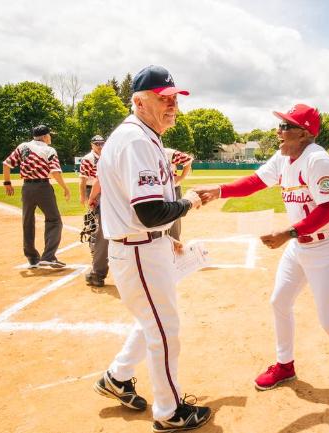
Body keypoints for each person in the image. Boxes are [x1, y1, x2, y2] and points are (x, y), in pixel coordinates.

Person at [195, 103, 329, 405]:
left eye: (286, 126)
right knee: (279, 302)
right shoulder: (283, 156)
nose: (279, 131)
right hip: (299, 245)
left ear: (303, 133)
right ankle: (285, 365)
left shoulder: (319, 162)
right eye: (280, 125)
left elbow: (328, 211)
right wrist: (218, 191)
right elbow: (254, 182)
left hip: (326, 246)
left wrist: (287, 233)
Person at [94, 65, 211, 432]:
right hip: (138, 249)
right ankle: (170, 411)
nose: (171, 105)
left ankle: (117, 376)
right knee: (164, 329)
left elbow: (148, 212)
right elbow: (150, 212)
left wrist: (166, 237)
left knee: (152, 323)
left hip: (145, 245)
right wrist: (189, 201)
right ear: (139, 102)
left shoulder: (145, 136)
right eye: (163, 98)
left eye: (174, 98)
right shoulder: (136, 140)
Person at [3, 125, 70, 268]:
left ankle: (32, 258)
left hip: (27, 188)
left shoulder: (23, 147)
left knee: (27, 222)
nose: (50, 137)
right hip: (43, 188)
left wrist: (7, 182)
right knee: (54, 220)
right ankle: (49, 256)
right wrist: (65, 187)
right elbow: (56, 172)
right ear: (45, 136)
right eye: (49, 135)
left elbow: (6, 164)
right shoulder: (49, 150)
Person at [79, 135, 109, 287]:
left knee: (100, 232)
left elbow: (100, 179)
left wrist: (91, 197)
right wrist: (84, 195)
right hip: (97, 190)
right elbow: (83, 179)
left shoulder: (106, 156)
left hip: (99, 192)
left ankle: (98, 272)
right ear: (92, 145)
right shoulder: (88, 158)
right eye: (97, 143)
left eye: (102, 143)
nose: (100, 146)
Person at [164, 147, 194, 240]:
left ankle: (175, 243)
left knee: (174, 218)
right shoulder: (149, 151)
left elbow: (188, 159)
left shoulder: (167, 152)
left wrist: (181, 177)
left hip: (173, 189)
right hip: (159, 190)